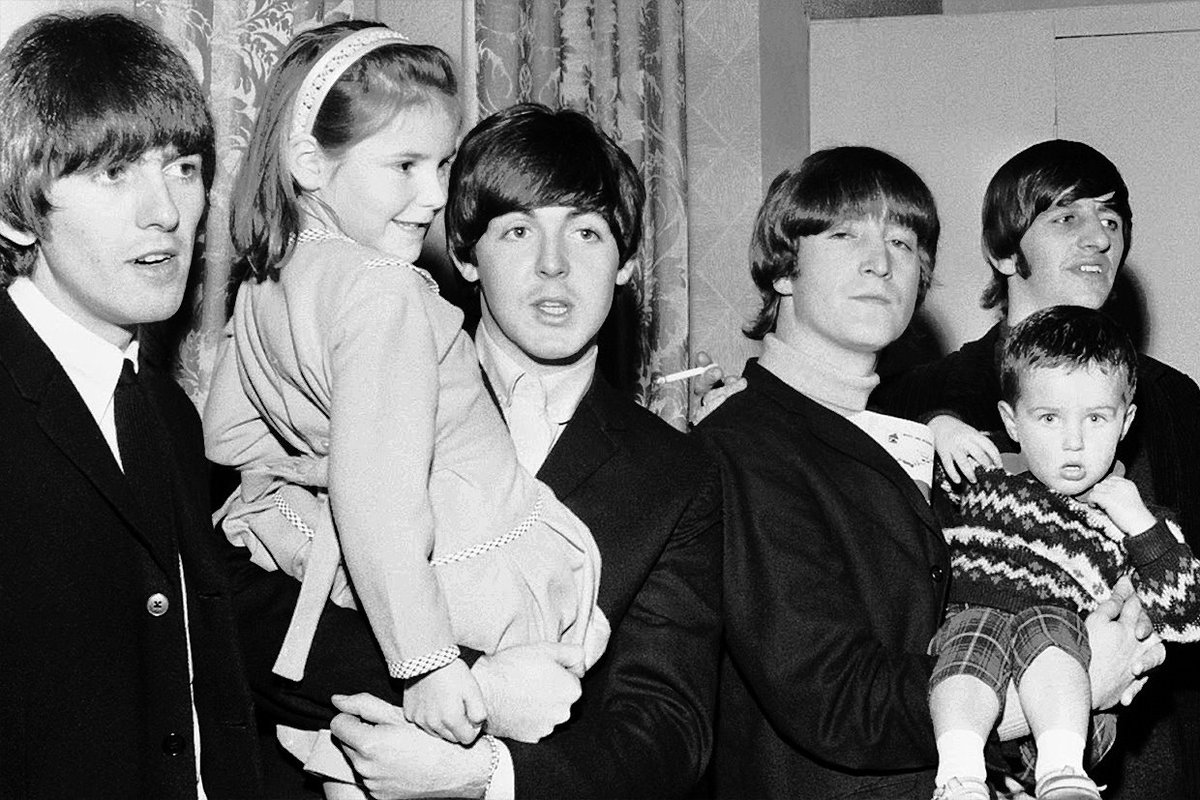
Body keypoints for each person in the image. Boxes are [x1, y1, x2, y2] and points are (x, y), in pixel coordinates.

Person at [215, 101, 722, 799]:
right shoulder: (348, 372)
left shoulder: (676, 476)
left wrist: (486, 775)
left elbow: (667, 733)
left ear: (627, 263)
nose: (553, 265)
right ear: (463, 254)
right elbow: (236, 618)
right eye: (517, 231)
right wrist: (470, 688)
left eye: (587, 232)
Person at [202, 22, 611, 792]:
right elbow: (380, 497)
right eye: (405, 166)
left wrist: (310, 494)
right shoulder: (381, 288)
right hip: (458, 583)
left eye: (443, 164)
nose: (435, 195)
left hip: (347, 576)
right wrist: (425, 662)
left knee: (369, 765)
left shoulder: (264, 282)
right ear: (309, 163)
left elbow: (230, 438)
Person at [695, 146, 1163, 799]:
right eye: (844, 235)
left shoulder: (899, 430)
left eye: (903, 242)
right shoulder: (745, 443)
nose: (880, 262)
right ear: (782, 267)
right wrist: (1064, 684)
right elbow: (835, 698)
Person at [872, 139, 1200, 799]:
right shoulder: (913, 400)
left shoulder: (1175, 402)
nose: (1099, 238)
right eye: (1066, 217)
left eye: (1112, 220)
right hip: (964, 758)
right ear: (1003, 252)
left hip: (1142, 768)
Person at [0, 11, 262, 799]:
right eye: (114, 172)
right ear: (16, 212)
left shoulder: (168, 412)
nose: (167, 212)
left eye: (182, 166)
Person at [927, 305, 1200, 800]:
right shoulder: (986, 472)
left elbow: (1187, 619)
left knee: (1047, 625)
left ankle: (1063, 774)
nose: (1073, 441)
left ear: (1125, 421)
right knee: (974, 627)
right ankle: (959, 778)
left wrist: (1141, 525)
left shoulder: (1133, 515)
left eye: (1096, 418)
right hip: (971, 691)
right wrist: (938, 427)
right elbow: (891, 469)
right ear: (1011, 421)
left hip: (1076, 710)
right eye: (1049, 417)